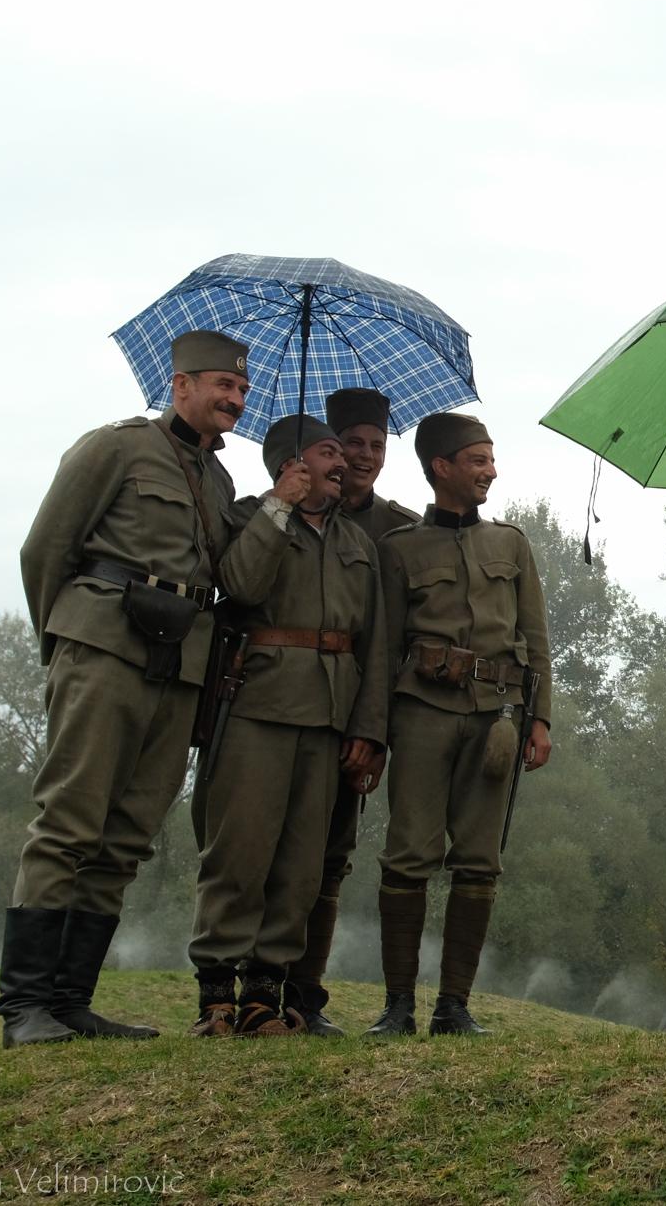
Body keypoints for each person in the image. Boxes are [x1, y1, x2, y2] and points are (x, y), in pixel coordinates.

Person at [1, 330, 246, 1048]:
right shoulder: (115, 447)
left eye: (240, 389)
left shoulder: (220, 483)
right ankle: (24, 1008)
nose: (233, 398)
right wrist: (68, 643)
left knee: (127, 835)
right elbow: (44, 548)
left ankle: (71, 1001)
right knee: (69, 822)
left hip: (181, 666)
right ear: (180, 386)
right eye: (220, 386)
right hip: (104, 648)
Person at [187, 416, 389, 1037]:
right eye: (329, 452)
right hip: (257, 706)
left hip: (330, 717)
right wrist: (279, 506)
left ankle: (264, 999)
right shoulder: (253, 516)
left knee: (302, 864)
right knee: (239, 851)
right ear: (290, 464)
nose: (343, 461)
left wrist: (370, 730)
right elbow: (241, 585)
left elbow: (375, 646)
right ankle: (218, 996)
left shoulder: (358, 542)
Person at [368, 413, 552, 1037]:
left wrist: (540, 718)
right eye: (476, 460)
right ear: (440, 467)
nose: (489, 471)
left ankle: (454, 1007)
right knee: (408, 856)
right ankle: (397, 1007)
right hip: (421, 712)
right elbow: (381, 652)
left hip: (498, 717)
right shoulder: (400, 550)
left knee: (479, 861)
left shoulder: (512, 544)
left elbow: (536, 639)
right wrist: (372, 731)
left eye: (491, 459)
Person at [280, 387, 421, 1036]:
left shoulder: (400, 528)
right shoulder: (290, 513)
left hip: (357, 719)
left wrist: (376, 730)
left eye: (375, 445)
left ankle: (304, 995)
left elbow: (396, 644)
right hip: (281, 704)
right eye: (352, 444)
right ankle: (252, 993)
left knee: (332, 856)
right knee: (273, 847)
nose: (364, 457)